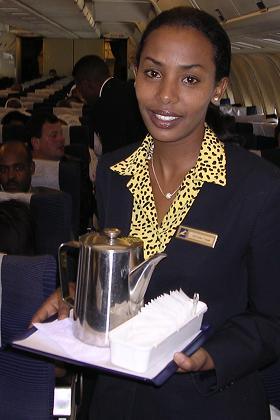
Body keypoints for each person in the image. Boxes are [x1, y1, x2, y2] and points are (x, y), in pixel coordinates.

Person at [32, 7, 280, 420]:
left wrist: (211, 355)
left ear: (218, 88)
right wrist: (78, 296)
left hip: (208, 401)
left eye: (189, 79)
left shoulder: (259, 188)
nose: (165, 96)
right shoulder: (113, 172)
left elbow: (274, 319)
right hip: (114, 399)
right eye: (152, 73)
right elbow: (119, 276)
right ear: (135, 74)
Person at [72, 54, 147, 154]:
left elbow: (112, 155)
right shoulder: (131, 88)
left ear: (86, 84)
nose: (81, 94)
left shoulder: (101, 108)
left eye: (79, 88)